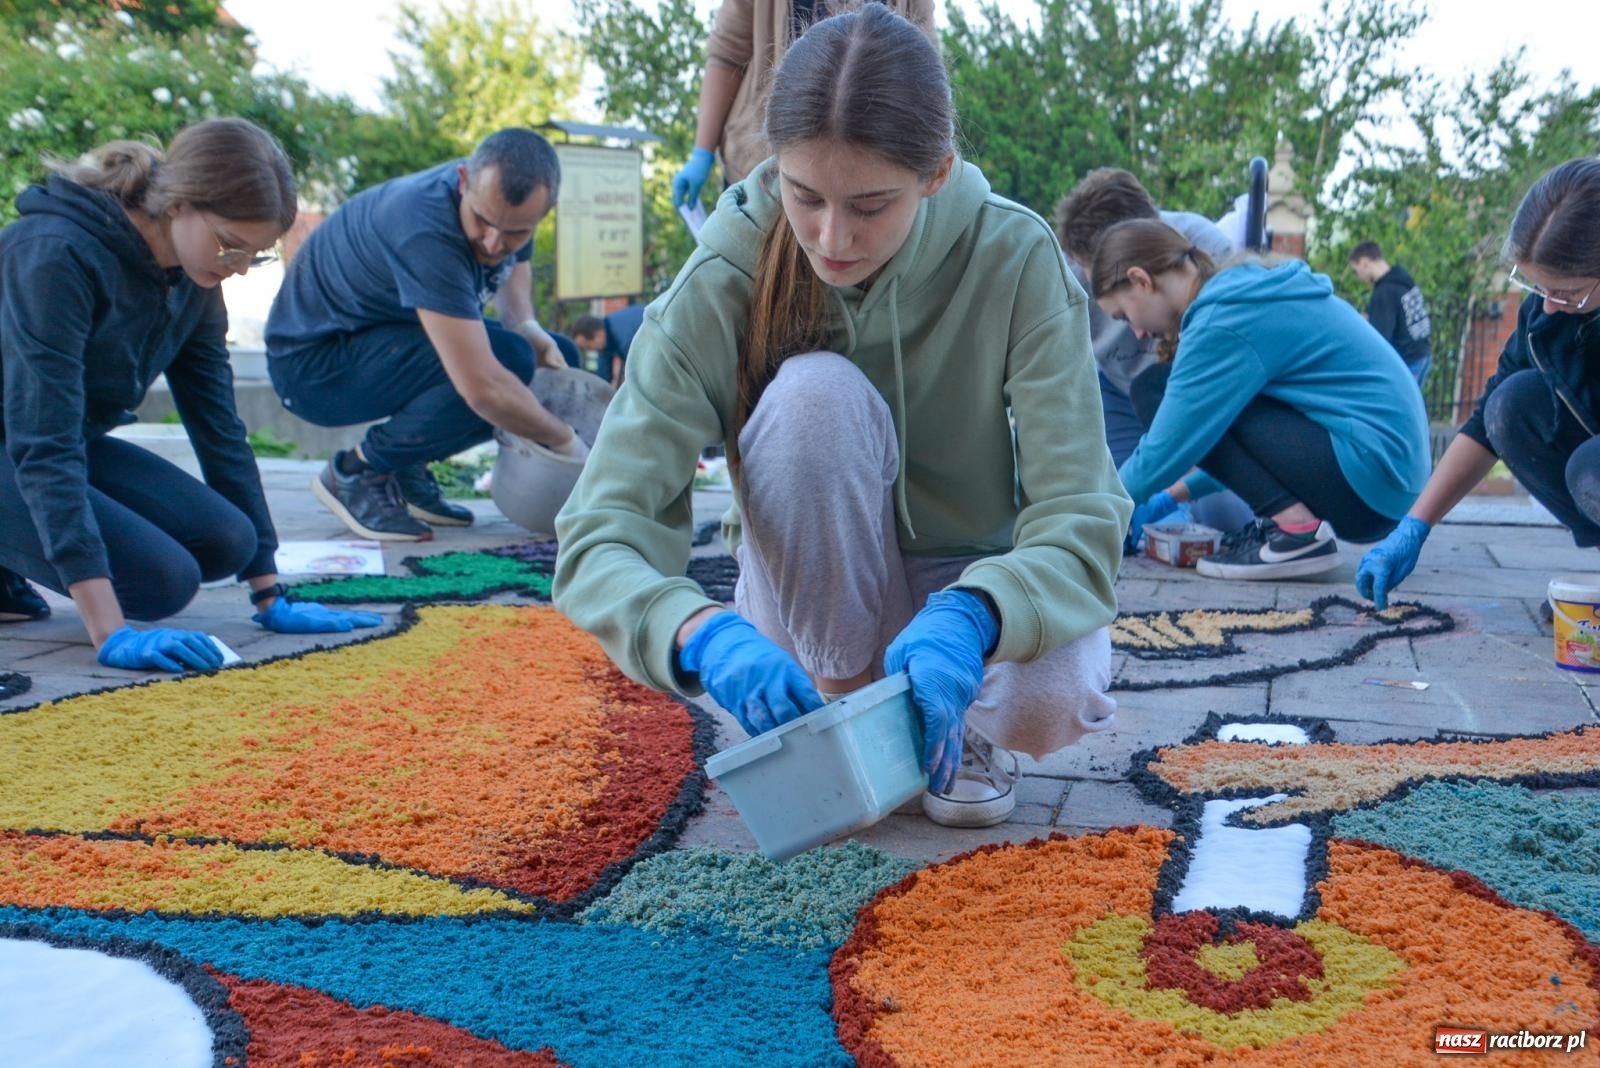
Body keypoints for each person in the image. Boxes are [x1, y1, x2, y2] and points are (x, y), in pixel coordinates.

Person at [557, 5, 1128, 830]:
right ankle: (845, 715)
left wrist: (978, 612)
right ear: (774, 164)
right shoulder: (725, 271)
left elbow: (1081, 513)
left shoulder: (1015, 256)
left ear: (936, 173)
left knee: (1051, 695)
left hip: (965, 591)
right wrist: (696, 632)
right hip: (805, 603)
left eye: (870, 205)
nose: (831, 238)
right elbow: (599, 528)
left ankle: (948, 725)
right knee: (813, 397)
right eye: (805, 195)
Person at [0, 118, 381, 670]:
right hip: (33, 440)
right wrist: (109, 632)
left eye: (256, 255)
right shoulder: (54, 254)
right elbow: (44, 441)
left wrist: (269, 594)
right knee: (161, 581)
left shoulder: (193, 277)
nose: (238, 268)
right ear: (178, 204)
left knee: (229, 540)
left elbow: (219, 427)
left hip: (42, 440)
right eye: (230, 246)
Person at [265, 128, 587, 543]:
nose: (494, 244)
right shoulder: (423, 227)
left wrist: (526, 325)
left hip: (382, 336)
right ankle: (357, 471)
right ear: (463, 180)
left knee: (558, 357)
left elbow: (516, 267)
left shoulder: (504, 202)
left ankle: (405, 465)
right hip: (314, 366)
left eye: (516, 233)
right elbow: (483, 389)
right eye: (483, 222)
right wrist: (565, 441)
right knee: (509, 364)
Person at [1090, 219, 1430, 580]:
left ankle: (1297, 534)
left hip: (1371, 479)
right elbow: (1252, 449)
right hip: (1389, 480)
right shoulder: (1243, 294)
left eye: (1124, 315)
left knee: (1153, 389)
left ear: (1141, 280)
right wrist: (1174, 496)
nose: (1137, 332)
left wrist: (1093, 514)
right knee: (1200, 408)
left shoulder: (1222, 318)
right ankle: (1291, 529)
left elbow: (1166, 445)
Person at [1358, 159, 1600, 610]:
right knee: (1510, 405)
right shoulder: (1546, 316)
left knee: (1591, 468)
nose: (1549, 306)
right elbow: (1485, 423)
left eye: (1568, 293)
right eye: (1537, 286)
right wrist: (1414, 526)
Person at [1054, 167, 1254, 541]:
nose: (1138, 332)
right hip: (1117, 393)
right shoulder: (1068, 271)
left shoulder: (1205, 248)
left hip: (1202, 395)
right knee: (1124, 525)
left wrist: (1140, 495)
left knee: (1227, 521)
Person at [670, 0, 935, 210]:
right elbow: (726, 55)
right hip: (759, 174)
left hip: (867, 177)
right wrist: (702, 152)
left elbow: (925, 69)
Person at [1348, 240, 1432, 388]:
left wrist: (1363, 325)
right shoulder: (1402, 279)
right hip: (1421, 351)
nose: (1359, 277)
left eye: (1356, 271)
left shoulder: (1384, 292)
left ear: (1364, 263)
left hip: (1407, 360)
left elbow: (1380, 338)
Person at [570, 302, 646, 388]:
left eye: (589, 347)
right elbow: (604, 373)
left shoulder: (626, 340)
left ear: (598, 335)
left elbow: (641, 374)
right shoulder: (608, 327)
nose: (592, 350)